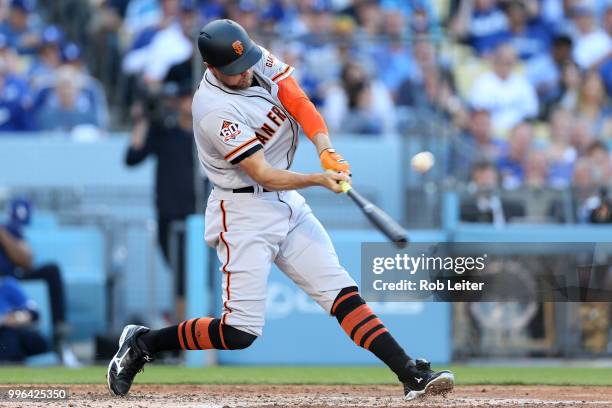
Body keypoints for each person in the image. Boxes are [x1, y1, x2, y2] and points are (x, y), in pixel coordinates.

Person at [107, 19, 454, 401]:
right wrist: (319, 179)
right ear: (211, 68)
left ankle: (409, 373)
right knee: (239, 333)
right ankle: (143, 343)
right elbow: (262, 173)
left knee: (341, 293)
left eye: (246, 64)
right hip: (242, 211)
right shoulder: (213, 110)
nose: (245, 74)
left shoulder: (252, 57)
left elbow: (297, 99)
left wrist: (325, 148)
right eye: (234, 71)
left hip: (286, 203)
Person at [124, 83, 196, 320]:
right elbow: (133, 157)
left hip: (198, 217)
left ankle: (190, 333)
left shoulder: (204, 136)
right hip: (168, 214)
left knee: (190, 275)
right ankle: (185, 333)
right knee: (179, 274)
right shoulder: (163, 132)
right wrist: (142, 120)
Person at [0, 198, 74, 365]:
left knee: (52, 270)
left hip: (9, 278)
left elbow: (27, 260)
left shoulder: (8, 231)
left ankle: (58, 329)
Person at [469, 43, 539, 133]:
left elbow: (531, 112)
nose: (506, 65)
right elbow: (478, 114)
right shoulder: (483, 82)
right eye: (503, 60)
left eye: (510, 62)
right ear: (495, 60)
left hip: (517, 136)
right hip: (491, 134)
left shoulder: (522, 83)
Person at [0, 276, 49, 362]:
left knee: (35, 341)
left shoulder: (8, 285)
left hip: (19, 332)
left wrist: (17, 317)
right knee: (8, 337)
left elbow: (34, 314)